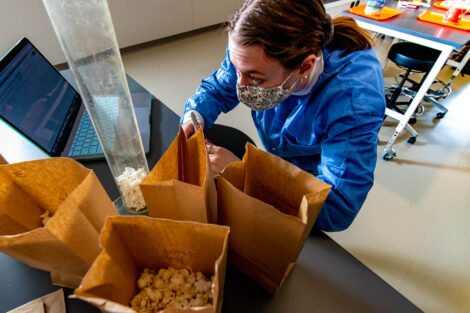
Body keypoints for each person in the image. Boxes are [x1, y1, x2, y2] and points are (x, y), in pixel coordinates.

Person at [180, 0, 386, 232]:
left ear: (305, 67)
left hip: (313, 177)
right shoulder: (252, 54)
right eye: (238, 69)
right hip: (281, 154)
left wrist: (246, 175)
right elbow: (219, 88)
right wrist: (194, 116)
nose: (240, 86)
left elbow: (337, 207)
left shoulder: (352, 103)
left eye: (255, 78)